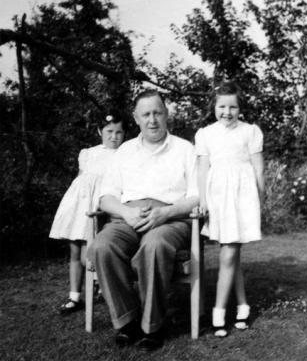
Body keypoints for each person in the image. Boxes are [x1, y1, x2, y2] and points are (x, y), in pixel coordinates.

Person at [89, 90, 198, 351]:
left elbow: (198, 197)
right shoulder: (124, 151)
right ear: (136, 118)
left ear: (167, 114)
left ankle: (152, 325)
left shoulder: (185, 149)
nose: (152, 120)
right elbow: (106, 197)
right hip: (128, 216)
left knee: (154, 245)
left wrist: (166, 213)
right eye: (146, 114)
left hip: (171, 218)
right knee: (102, 246)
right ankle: (127, 320)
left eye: (157, 113)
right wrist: (126, 213)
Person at [195, 81, 264, 337]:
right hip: (217, 196)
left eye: (232, 107)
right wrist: (202, 198)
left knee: (228, 253)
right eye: (222, 106)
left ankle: (219, 313)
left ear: (240, 108)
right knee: (230, 253)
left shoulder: (250, 131)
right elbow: (202, 169)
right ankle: (243, 305)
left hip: (243, 196)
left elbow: (258, 167)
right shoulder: (205, 134)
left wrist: (260, 197)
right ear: (214, 106)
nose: (227, 112)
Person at [49, 112, 126, 314]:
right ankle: (74, 296)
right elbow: (80, 180)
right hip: (79, 206)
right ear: (100, 131)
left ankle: (101, 285)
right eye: (109, 132)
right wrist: (73, 207)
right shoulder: (88, 153)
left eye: (119, 132)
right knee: (75, 250)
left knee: (90, 252)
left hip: (101, 208)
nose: (113, 137)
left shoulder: (125, 154)